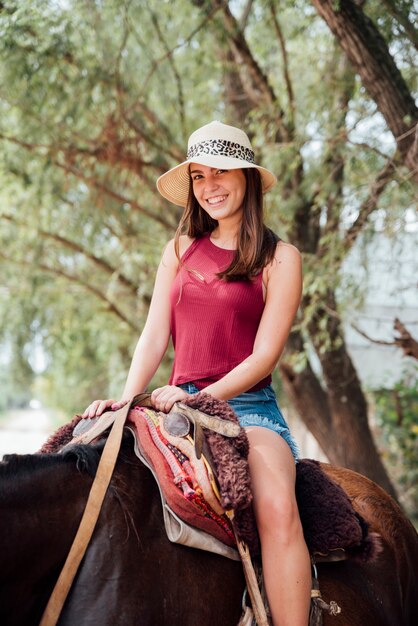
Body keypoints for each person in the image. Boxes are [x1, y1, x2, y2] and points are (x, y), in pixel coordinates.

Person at [83, 121, 311, 626]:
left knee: (276, 507)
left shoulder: (281, 259)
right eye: (200, 176)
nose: (210, 186)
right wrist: (127, 400)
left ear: (248, 177)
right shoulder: (180, 249)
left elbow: (263, 357)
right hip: (171, 404)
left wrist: (198, 397)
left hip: (246, 409)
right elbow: (153, 336)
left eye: (222, 172)